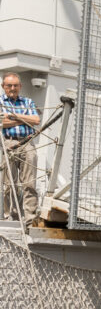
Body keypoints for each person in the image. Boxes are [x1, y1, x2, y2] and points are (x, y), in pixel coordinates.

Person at [0, 73, 40, 222]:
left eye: (15, 85)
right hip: (8, 143)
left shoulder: (28, 101)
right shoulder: (0, 101)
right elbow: (2, 122)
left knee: (29, 183)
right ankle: (11, 216)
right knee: (9, 184)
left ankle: (30, 218)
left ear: (20, 86)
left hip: (27, 142)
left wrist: (13, 117)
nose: (12, 88)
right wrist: (23, 119)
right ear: (3, 86)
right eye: (9, 85)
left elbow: (36, 120)